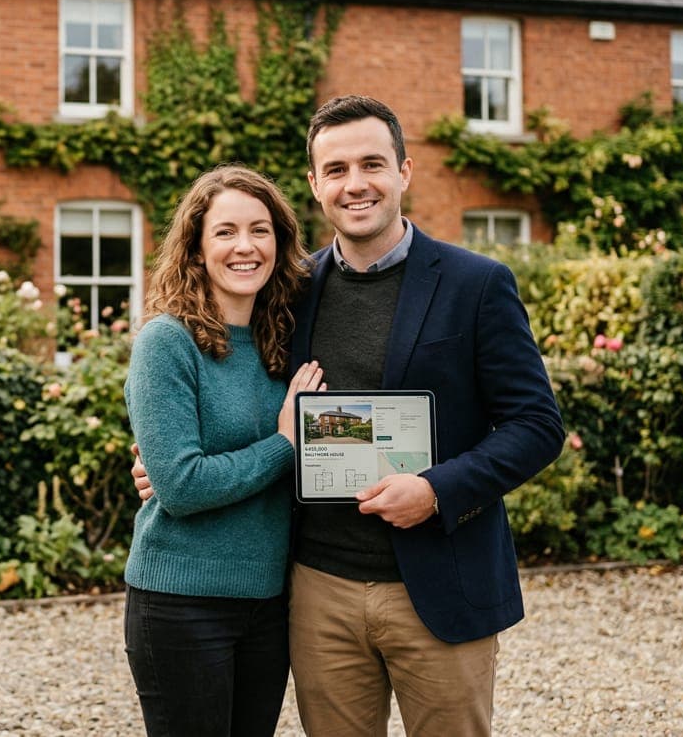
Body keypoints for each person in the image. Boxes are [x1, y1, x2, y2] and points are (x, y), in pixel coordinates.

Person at [134, 95, 564, 736]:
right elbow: (232, 402)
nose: (355, 184)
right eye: (336, 169)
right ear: (314, 184)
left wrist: (436, 490)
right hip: (316, 589)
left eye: (372, 164)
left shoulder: (477, 284)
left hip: (440, 581)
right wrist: (161, 468)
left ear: (405, 172)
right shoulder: (289, 290)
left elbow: (536, 425)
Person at [123, 164, 327, 737]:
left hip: (267, 601)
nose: (246, 246)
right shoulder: (167, 342)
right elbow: (183, 487)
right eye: (226, 232)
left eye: (260, 230)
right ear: (195, 248)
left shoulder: (281, 342)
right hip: (182, 603)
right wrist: (286, 443)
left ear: (280, 244)